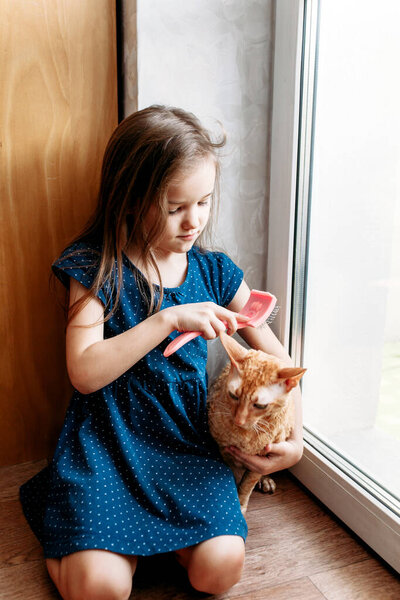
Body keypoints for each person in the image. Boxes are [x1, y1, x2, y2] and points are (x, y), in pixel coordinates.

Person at [20, 105, 303, 600]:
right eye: (175, 208)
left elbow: (282, 366)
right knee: (98, 589)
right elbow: (84, 373)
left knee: (221, 570)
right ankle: (82, 536)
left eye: (204, 202)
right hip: (108, 446)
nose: (193, 221)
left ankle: (149, 544)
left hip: (185, 447)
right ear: (130, 199)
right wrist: (168, 318)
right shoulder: (96, 268)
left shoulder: (215, 273)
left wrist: (295, 442)